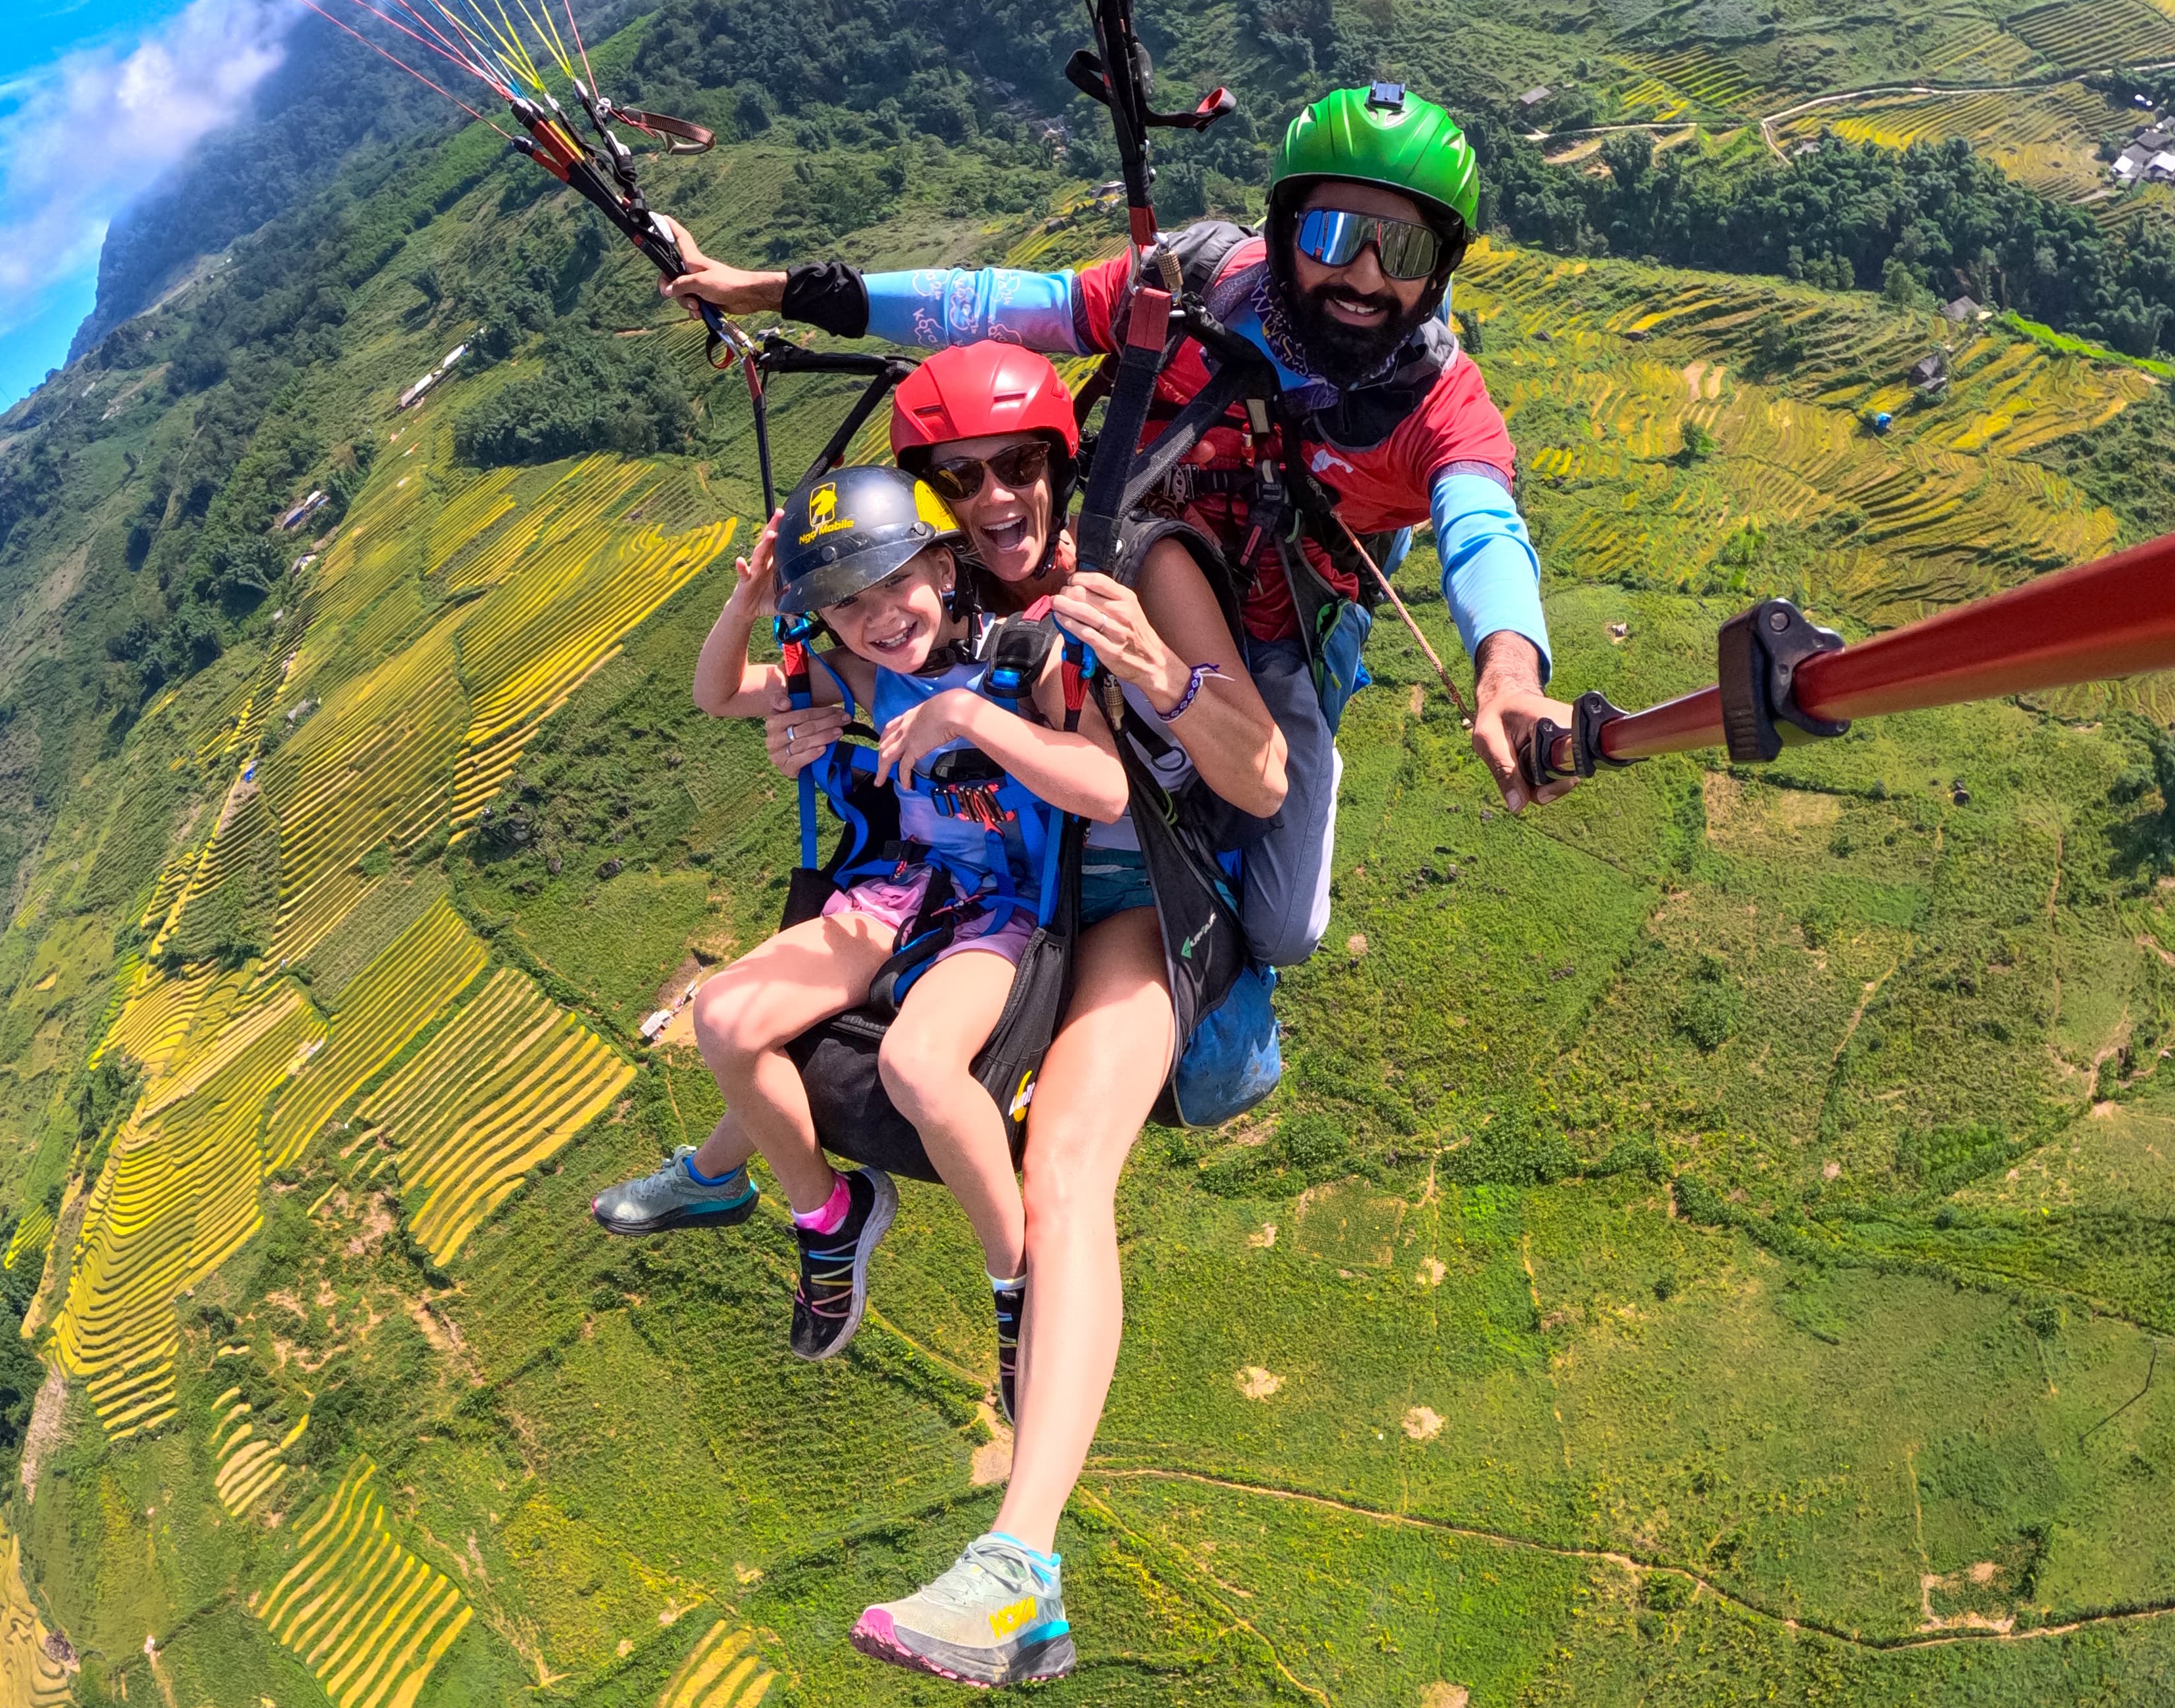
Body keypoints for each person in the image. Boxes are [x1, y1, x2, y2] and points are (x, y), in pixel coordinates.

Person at [659, 81, 1572, 965]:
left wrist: (1510, 671)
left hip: (1277, 609)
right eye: (1336, 234)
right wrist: (777, 290)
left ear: (1440, 270)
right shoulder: (1197, 287)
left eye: (1403, 252)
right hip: (1134, 557)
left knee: (1283, 930)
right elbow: (1002, 305)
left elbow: (1484, 528)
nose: (1365, 276)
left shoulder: (1440, 406)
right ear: (1290, 228)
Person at [592, 466, 1129, 1407]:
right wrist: (749, 600)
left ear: (944, 562)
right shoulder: (858, 676)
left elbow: (1105, 788)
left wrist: (967, 715)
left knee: (920, 1067)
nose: (880, 618)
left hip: (1001, 904)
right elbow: (719, 693)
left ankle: (1018, 1281)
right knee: (723, 1017)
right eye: (846, 606)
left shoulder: (1026, 659)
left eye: (895, 584)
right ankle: (826, 1212)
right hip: (897, 890)